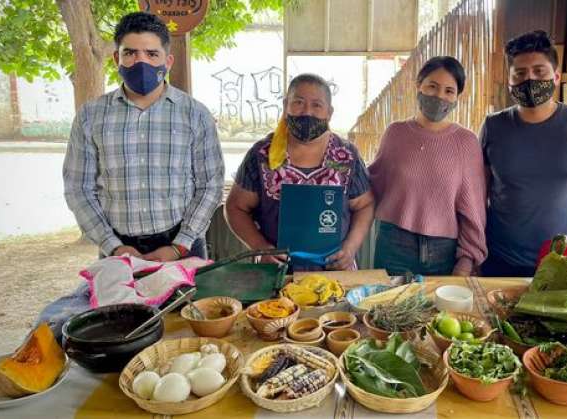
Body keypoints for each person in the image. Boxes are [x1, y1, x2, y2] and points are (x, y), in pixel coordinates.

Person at [63, 12, 225, 261]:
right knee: (121, 303)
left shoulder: (195, 114)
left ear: (167, 61)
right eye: (130, 53)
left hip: (181, 248)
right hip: (117, 251)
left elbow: (210, 185)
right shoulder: (90, 116)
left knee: (188, 303)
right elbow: (78, 189)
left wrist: (179, 246)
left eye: (151, 54)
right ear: (117, 58)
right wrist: (113, 246)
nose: (141, 62)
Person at [479, 30, 567, 277]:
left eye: (539, 71)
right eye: (520, 73)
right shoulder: (493, 126)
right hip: (499, 261)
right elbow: (479, 195)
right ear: (509, 80)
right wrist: (474, 255)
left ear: (556, 77)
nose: (529, 79)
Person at [224, 73, 374, 271]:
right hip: (276, 273)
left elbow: (365, 205)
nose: (307, 113)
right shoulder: (262, 155)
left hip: (335, 272)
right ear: (286, 105)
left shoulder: (346, 156)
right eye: (299, 103)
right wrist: (261, 249)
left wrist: (351, 248)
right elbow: (235, 208)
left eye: (317, 105)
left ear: (329, 112)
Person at [369, 56, 487, 276]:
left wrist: (467, 259)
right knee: (385, 308)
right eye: (432, 87)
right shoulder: (396, 133)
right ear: (418, 86)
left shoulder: (466, 142)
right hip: (393, 244)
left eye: (449, 91)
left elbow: (474, 210)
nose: (439, 96)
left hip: (444, 252)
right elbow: (371, 185)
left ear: (457, 97)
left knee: (440, 311)